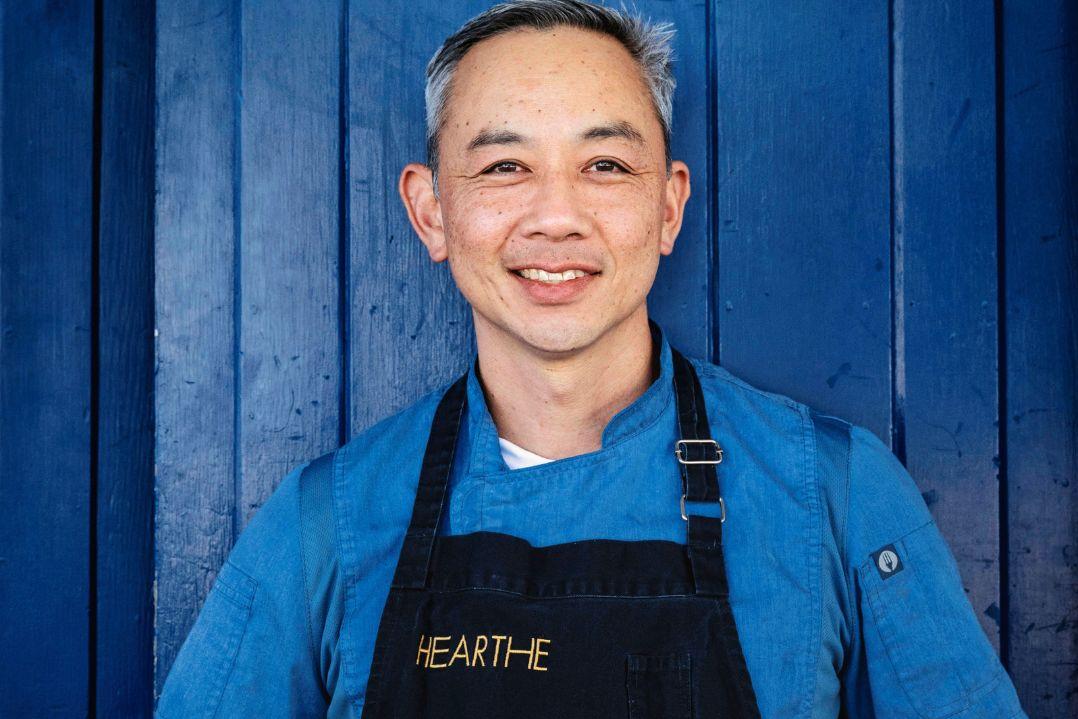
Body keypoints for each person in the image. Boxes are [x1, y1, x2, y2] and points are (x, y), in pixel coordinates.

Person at [156, 1, 1028, 717]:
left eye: (605, 163)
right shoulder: (326, 526)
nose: (555, 216)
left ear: (668, 206)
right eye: (504, 166)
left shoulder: (834, 493)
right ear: (430, 213)